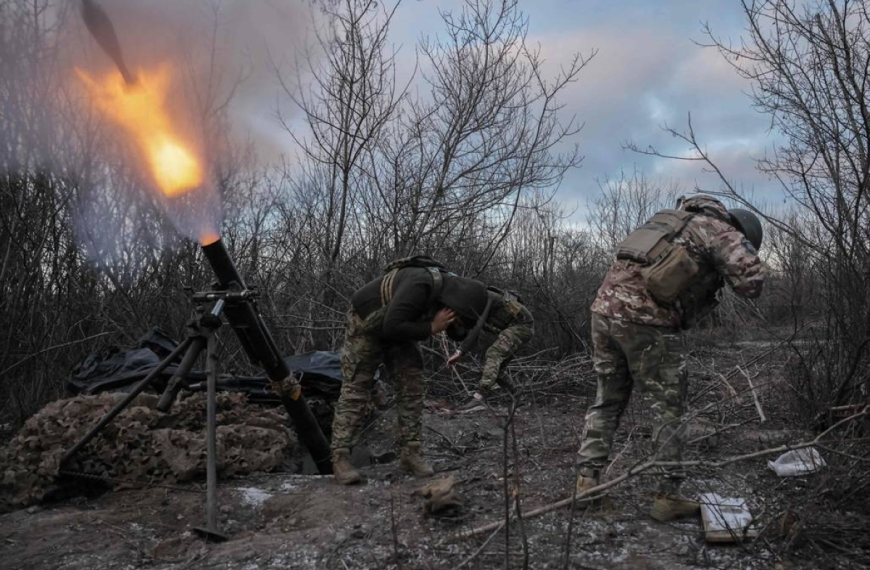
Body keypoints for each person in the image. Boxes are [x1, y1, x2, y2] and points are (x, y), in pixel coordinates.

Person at [576, 195, 765, 521]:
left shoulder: (666, 221)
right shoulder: (718, 229)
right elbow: (752, 282)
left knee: (606, 401)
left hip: (603, 314)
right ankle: (667, 496)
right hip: (645, 323)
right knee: (669, 409)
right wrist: (733, 259)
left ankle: (586, 484)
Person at [331, 259, 489, 485]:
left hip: (398, 326)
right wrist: (432, 327)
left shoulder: (447, 293)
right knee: (357, 387)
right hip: (367, 323)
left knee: (412, 385)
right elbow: (391, 325)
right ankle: (340, 458)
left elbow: (404, 327)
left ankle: (410, 453)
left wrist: (446, 327)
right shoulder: (421, 284)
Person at [445, 286, 534, 394]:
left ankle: (480, 396)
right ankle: (518, 395)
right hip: (518, 329)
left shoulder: (486, 297)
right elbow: (476, 330)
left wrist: (460, 351)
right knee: (496, 367)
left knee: (493, 354)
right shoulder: (477, 303)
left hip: (522, 326)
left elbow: (477, 327)